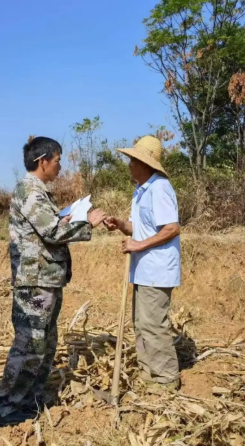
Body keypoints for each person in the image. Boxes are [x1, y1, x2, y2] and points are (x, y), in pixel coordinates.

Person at [0, 137, 106, 426]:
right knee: (29, 345)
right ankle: (4, 407)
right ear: (43, 161)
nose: (60, 167)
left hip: (46, 280)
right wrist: (87, 222)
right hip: (35, 282)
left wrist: (68, 219)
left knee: (45, 343)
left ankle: (31, 399)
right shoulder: (30, 191)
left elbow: (48, 229)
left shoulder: (39, 193)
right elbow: (52, 233)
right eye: (57, 161)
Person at [104, 136, 181, 392]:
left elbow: (171, 228)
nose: (128, 165)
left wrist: (138, 245)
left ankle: (167, 378)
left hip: (157, 270)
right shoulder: (140, 191)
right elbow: (138, 228)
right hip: (143, 269)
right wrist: (120, 225)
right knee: (141, 323)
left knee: (153, 324)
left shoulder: (160, 188)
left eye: (132, 161)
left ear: (144, 163)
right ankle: (149, 373)